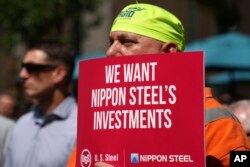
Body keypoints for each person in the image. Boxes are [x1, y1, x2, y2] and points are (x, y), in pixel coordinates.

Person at [67, 3, 250, 167]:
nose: (110, 51)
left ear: (169, 52)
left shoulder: (216, 118)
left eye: (127, 42)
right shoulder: (100, 117)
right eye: (111, 41)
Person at [4, 40, 77, 167]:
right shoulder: (22, 124)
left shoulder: (81, 126)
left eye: (32, 68)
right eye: (23, 67)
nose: (23, 74)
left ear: (59, 74)